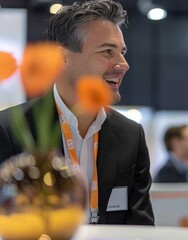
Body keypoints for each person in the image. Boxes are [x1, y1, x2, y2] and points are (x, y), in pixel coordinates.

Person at [0, 0, 154, 225]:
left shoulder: (131, 136)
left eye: (122, 52)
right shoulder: (10, 129)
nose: (124, 64)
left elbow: (141, 229)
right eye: (107, 52)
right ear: (62, 57)